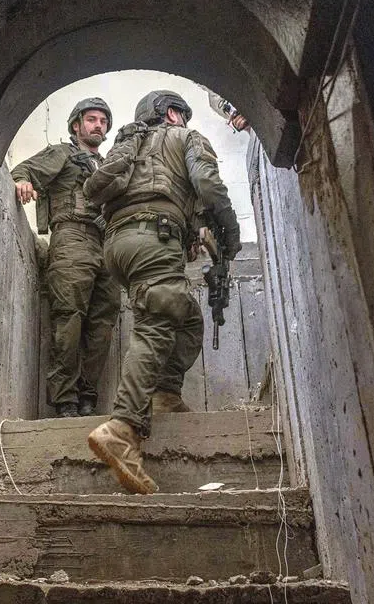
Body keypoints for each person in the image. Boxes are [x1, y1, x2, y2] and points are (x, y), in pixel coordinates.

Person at [82, 90, 241, 494]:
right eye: (182, 115)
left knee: (186, 318)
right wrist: (231, 233)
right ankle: (122, 428)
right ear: (172, 113)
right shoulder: (184, 137)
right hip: (154, 236)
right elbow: (207, 185)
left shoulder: (130, 147)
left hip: (117, 245)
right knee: (156, 324)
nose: (185, 121)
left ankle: (165, 396)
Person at [10, 97, 122, 418]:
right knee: (69, 316)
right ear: (76, 125)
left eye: (103, 121)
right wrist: (23, 182)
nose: (98, 125)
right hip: (72, 236)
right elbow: (24, 170)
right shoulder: (63, 153)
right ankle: (65, 399)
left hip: (107, 244)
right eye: (91, 119)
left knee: (102, 322)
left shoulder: (108, 164)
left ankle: (88, 396)